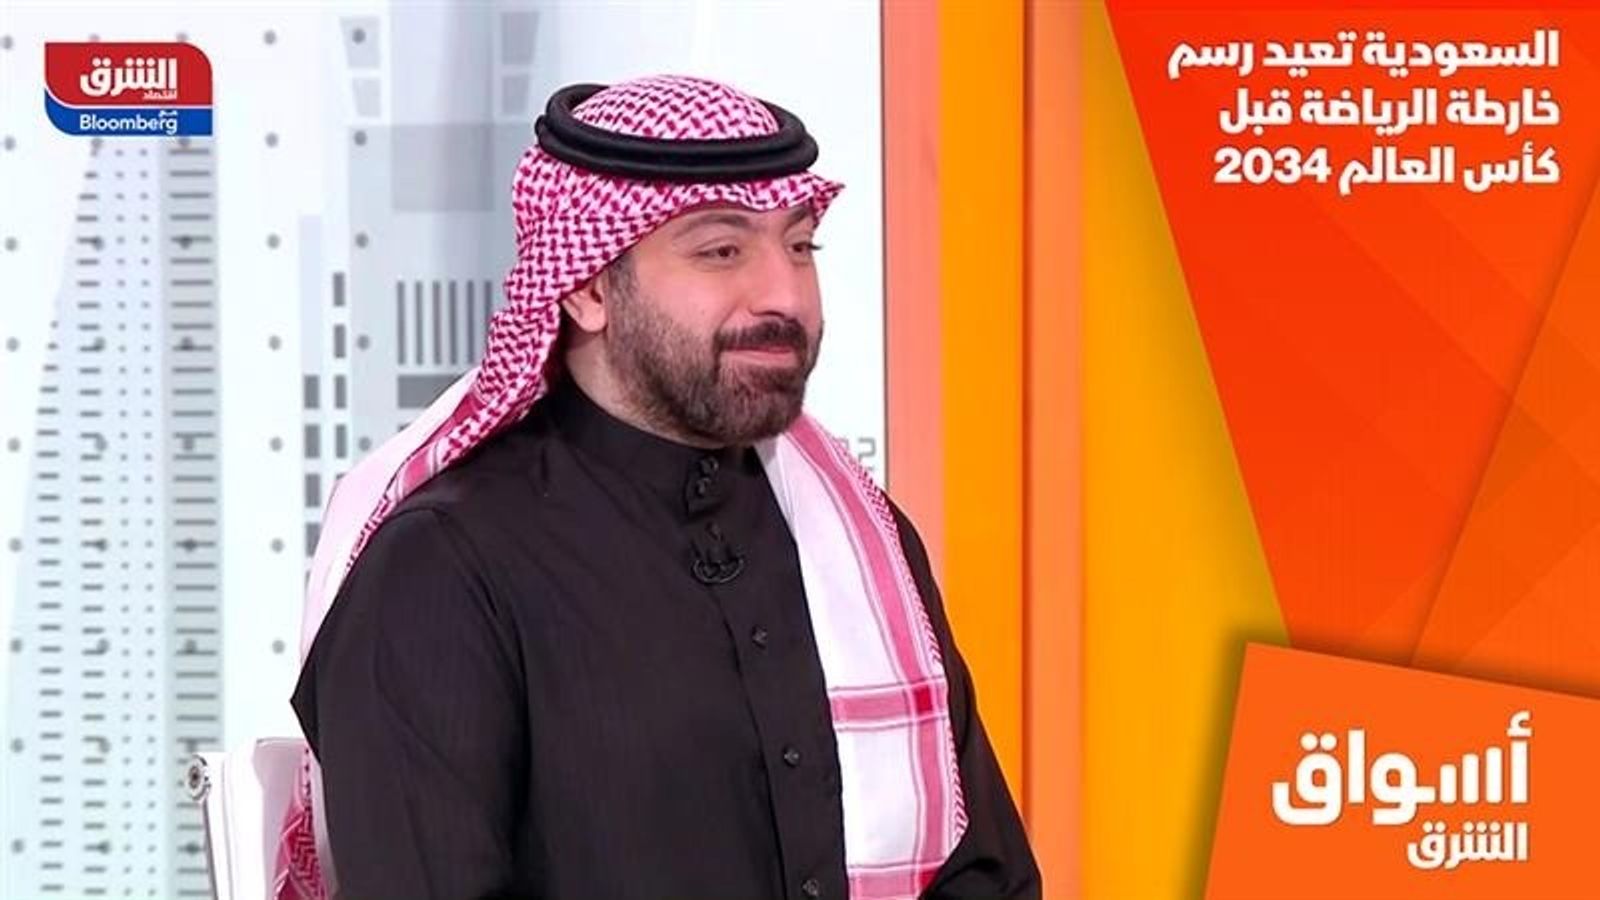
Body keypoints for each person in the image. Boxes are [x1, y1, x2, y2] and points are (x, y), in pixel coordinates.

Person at [280, 75, 1039, 900]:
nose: (785, 296)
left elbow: (985, 876)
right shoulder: (443, 570)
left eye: (799, 246)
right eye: (721, 250)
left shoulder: (858, 543)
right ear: (588, 287)